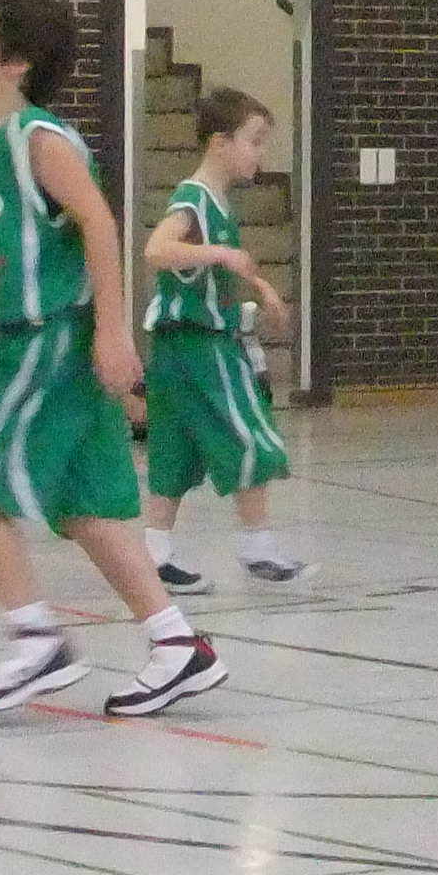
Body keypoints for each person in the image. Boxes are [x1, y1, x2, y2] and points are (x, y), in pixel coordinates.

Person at [0, 0, 223, 719]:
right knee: (87, 508)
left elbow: (100, 224)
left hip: (50, 339)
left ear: (16, 63)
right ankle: (177, 645)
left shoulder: (39, 138)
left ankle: (36, 639)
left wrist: (113, 331)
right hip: (39, 334)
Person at [139, 86, 302, 592]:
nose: (260, 154)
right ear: (219, 142)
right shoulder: (193, 198)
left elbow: (221, 269)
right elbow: (156, 250)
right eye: (254, 141)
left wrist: (260, 287)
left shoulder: (216, 203)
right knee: (251, 433)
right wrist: (220, 255)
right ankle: (257, 545)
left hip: (174, 349)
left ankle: (155, 552)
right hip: (200, 345)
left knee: (175, 447)